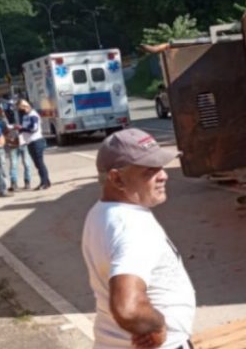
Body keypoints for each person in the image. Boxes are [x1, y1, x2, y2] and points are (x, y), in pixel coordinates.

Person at [82, 128, 196, 349]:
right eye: (149, 171)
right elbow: (128, 307)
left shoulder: (102, 212)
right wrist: (158, 325)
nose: (163, 175)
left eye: (161, 166)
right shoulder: (132, 227)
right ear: (117, 179)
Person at [15, 100, 51, 190]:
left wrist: (22, 128)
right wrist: (19, 129)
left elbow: (33, 128)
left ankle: (44, 182)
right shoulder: (25, 116)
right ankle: (46, 181)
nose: (21, 110)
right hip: (30, 142)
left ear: (26, 107)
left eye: (22, 108)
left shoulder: (33, 115)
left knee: (39, 163)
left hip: (36, 141)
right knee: (37, 164)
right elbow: (24, 127)